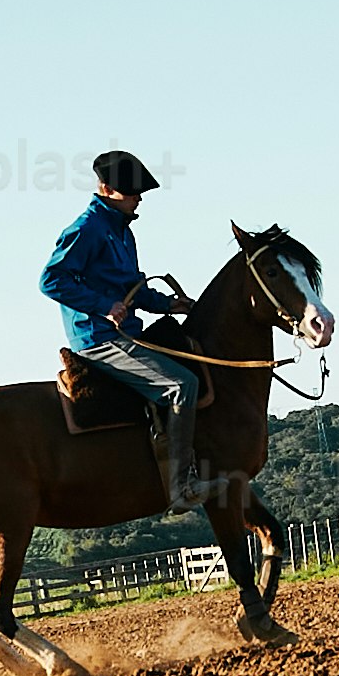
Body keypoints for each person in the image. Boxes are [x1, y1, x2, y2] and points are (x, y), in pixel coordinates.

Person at [41, 148, 208, 510]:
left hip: (126, 332)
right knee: (183, 385)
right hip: (98, 339)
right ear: (105, 189)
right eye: (132, 191)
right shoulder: (86, 230)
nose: (139, 197)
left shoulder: (121, 232)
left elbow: (133, 287)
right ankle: (181, 488)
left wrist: (168, 305)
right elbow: (51, 280)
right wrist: (104, 307)